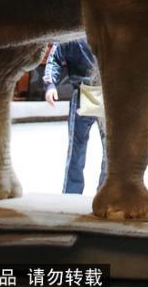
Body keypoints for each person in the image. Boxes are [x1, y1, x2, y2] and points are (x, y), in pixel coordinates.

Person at [44, 39, 106, 194]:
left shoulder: (110, 27)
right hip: (84, 92)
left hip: (108, 93)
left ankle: (106, 190)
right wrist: (50, 85)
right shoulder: (73, 34)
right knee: (76, 149)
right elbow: (55, 57)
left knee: (111, 149)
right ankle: (72, 193)